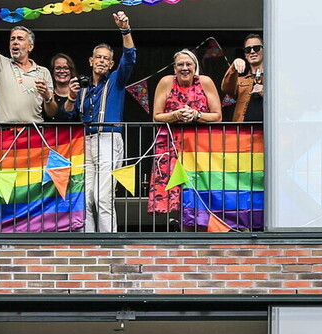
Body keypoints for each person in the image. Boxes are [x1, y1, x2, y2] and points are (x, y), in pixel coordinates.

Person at [65, 12, 136, 233]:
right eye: (99, 57)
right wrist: (71, 96)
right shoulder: (82, 86)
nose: (102, 61)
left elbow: (130, 57)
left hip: (108, 139)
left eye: (106, 58)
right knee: (85, 197)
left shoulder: (116, 80)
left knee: (102, 197)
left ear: (111, 63)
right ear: (91, 61)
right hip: (85, 142)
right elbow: (67, 116)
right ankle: (88, 243)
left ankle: (108, 244)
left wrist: (125, 29)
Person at [148, 49, 222, 226]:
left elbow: (217, 116)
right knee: (178, 192)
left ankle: (202, 231)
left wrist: (196, 115)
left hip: (200, 148)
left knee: (200, 190)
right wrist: (176, 115)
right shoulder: (166, 82)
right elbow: (156, 116)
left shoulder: (205, 82)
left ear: (195, 67)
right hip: (171, 146)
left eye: (188, 64)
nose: (184, 68)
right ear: (174, 68)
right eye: (180, 64)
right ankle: (183, 232)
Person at [0, 0, 58, 123]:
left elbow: (52, 112)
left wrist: (47, 96)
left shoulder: (43, 72)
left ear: (30, 47)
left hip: (33, 130)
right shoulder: (1, 63)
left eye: (20, 39)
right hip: (6, 131)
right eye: (12, 39)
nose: (15, 42)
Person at [221, 34, 264, 122]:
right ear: (245, 55)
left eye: (256, 48)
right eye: (248, 49)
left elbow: (290, 104)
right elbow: (226, 88)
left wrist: (267, 94)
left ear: (264, 50)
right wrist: (233, 66)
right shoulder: (240, 81)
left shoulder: (276, 80)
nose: (252, 52)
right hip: (244, 129)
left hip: (271, 129)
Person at [45, 54, 79, 122]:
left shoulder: (80, 94)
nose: (62, 71)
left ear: (71, 71)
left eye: (66, 68)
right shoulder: (46, 94)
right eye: (58, 68)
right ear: (52, 71)